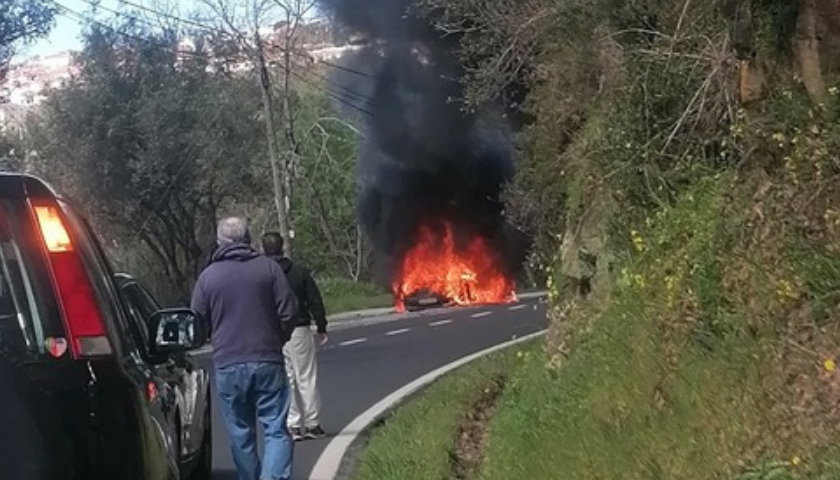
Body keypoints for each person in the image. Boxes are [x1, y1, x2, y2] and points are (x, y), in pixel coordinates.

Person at [191, 218, 298, 480]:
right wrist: (277, 339)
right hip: (267, 358)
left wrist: (210, 337)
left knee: (240, 433)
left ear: (220, 242)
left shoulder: (208, 277)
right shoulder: (269, 269)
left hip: (228, 362)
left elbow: (195, 321)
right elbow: (289, 311)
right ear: (249, 238)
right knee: (275, 428)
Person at [261, 232, 328, 441]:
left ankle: (291, 425)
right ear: (282, 248)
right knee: (306, 376)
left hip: (272, 332)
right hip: (299, 329)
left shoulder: (261, 274)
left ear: (263, 250)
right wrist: (321, 326)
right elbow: (315, 300)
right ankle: (312, 424)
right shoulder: (299, 272)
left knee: (285, 379)